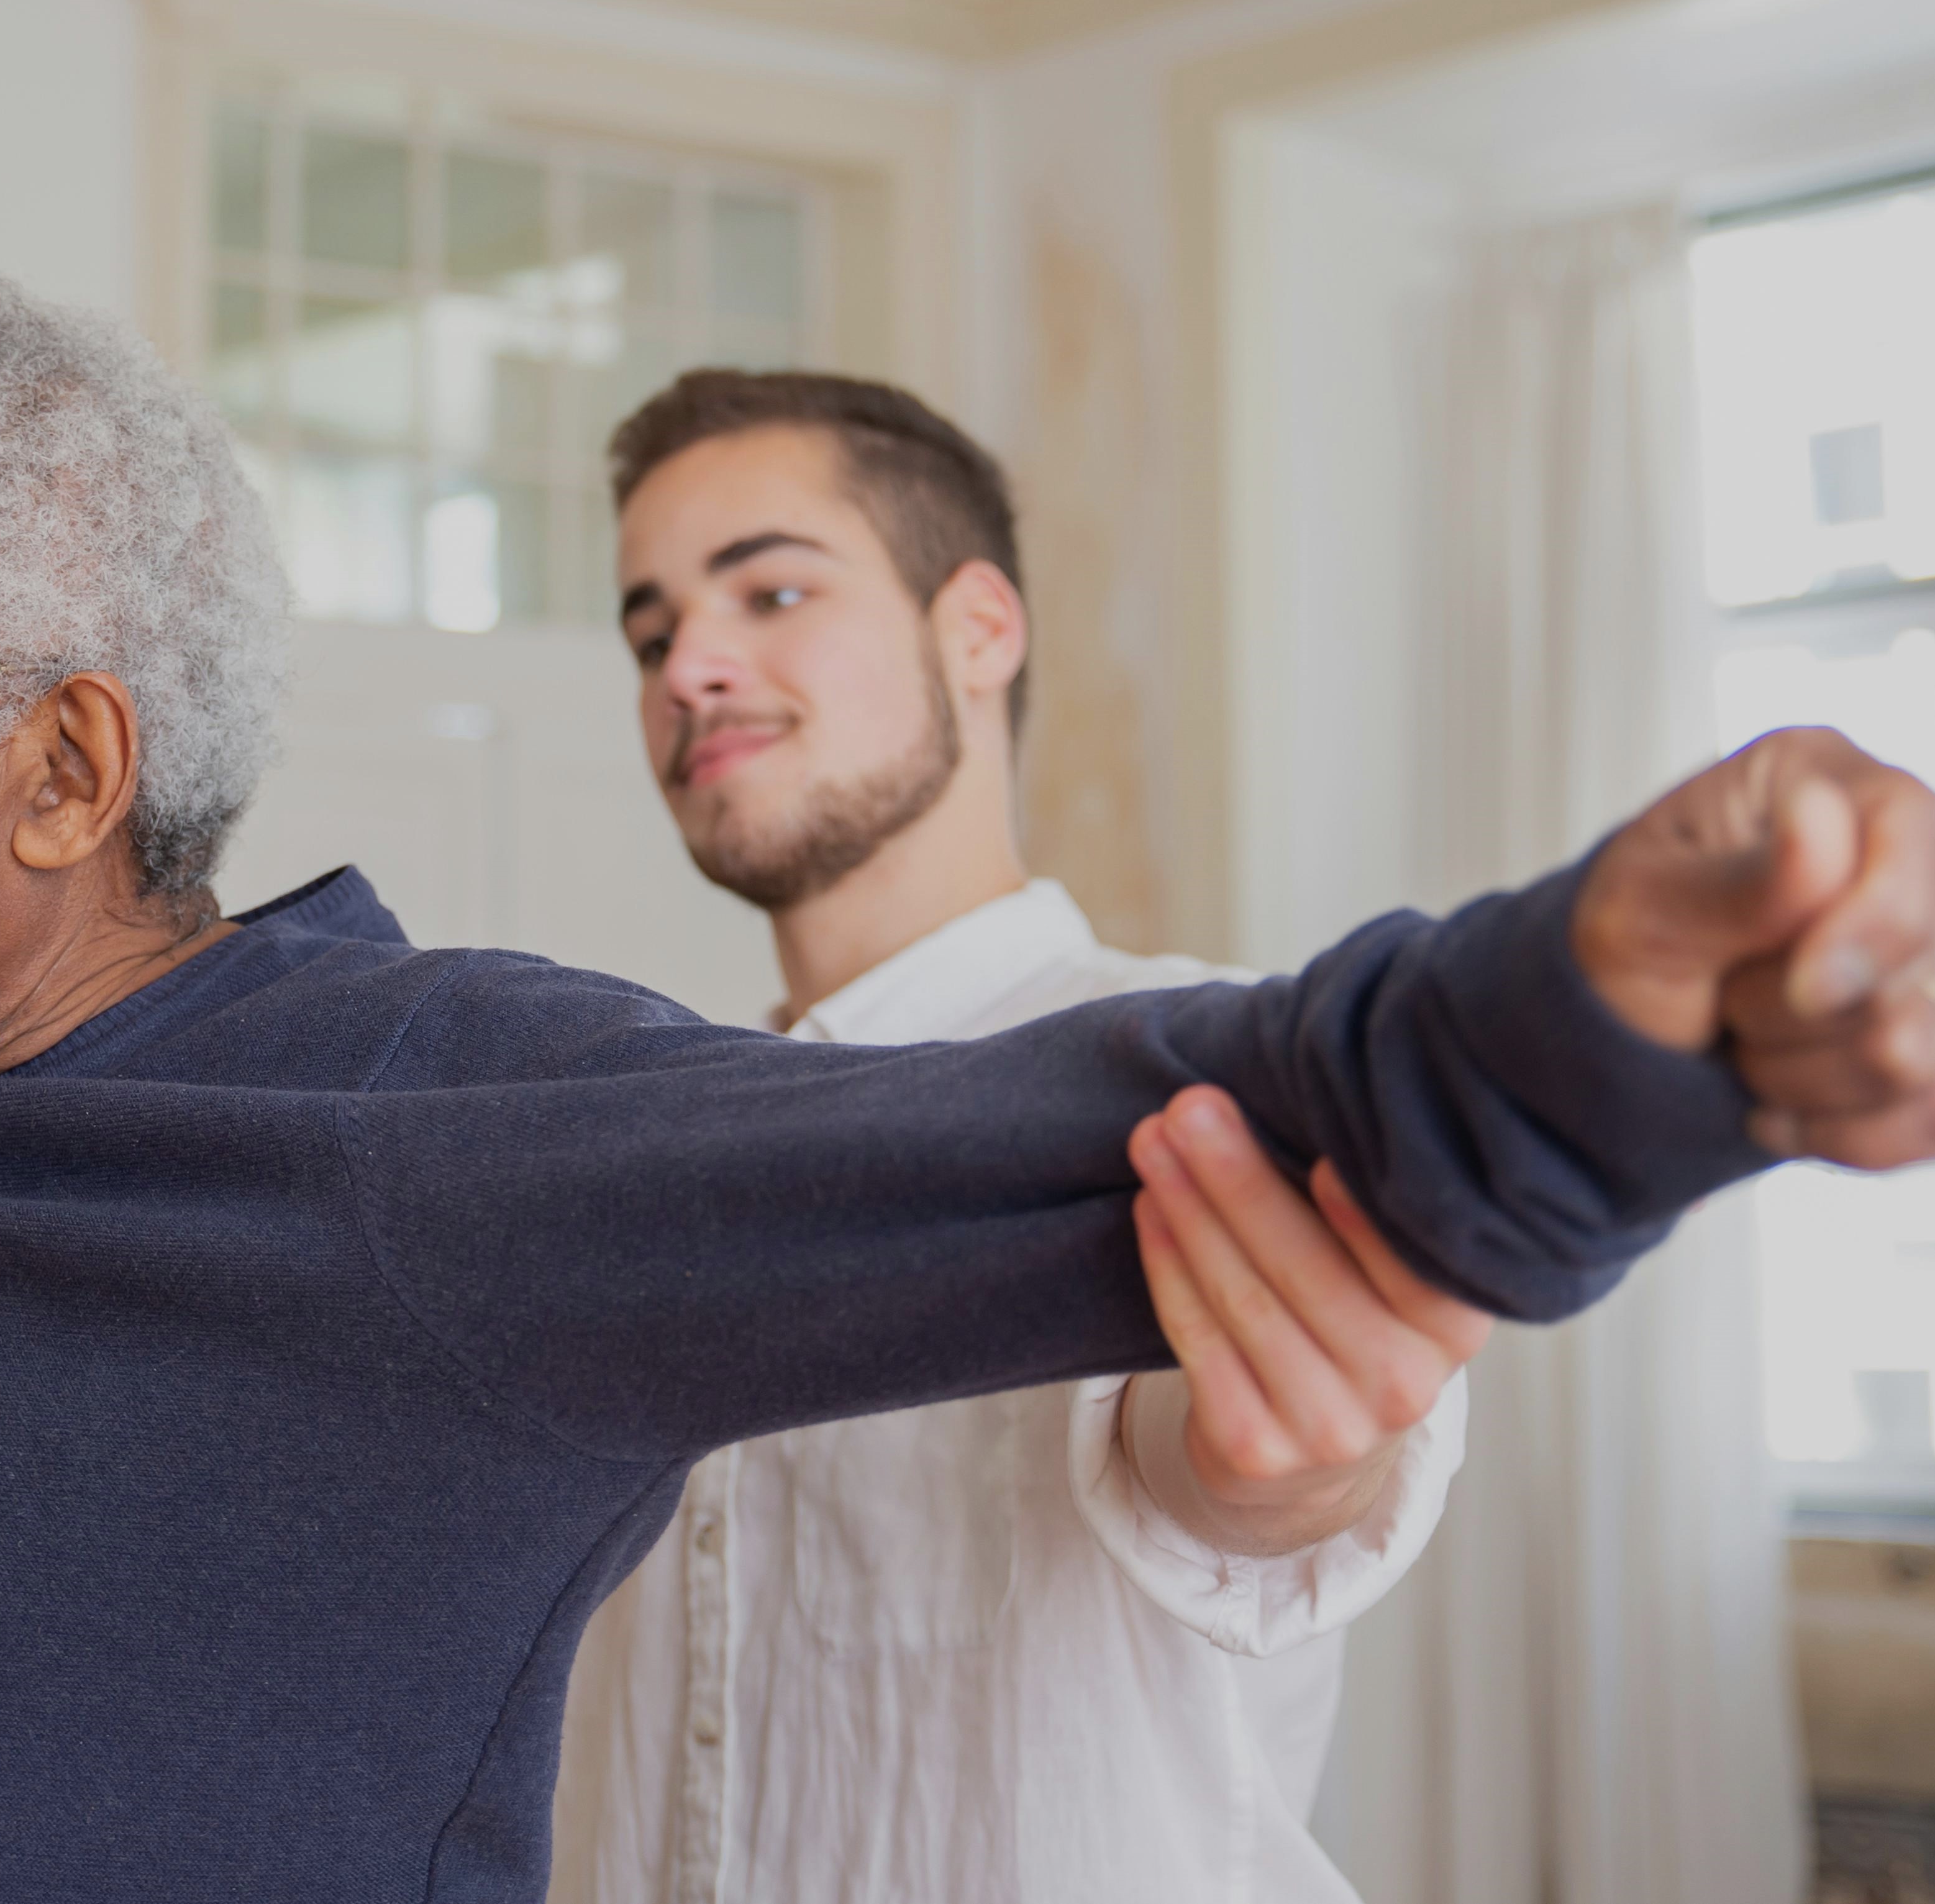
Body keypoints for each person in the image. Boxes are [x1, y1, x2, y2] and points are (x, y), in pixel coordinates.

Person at [0, 278, 1935, 1904]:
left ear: (59, 773)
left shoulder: (437, 1138)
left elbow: (1172, 1114)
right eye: (650, 613)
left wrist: (1641, 1020)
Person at [555, 372, 1488, 1903]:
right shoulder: (636, 1143)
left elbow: (1244, 1485)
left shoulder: (1197, 1072)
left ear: (977, 627)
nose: (689, 669)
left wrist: (1288, 1464)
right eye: (650, 634)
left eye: (770, 590)